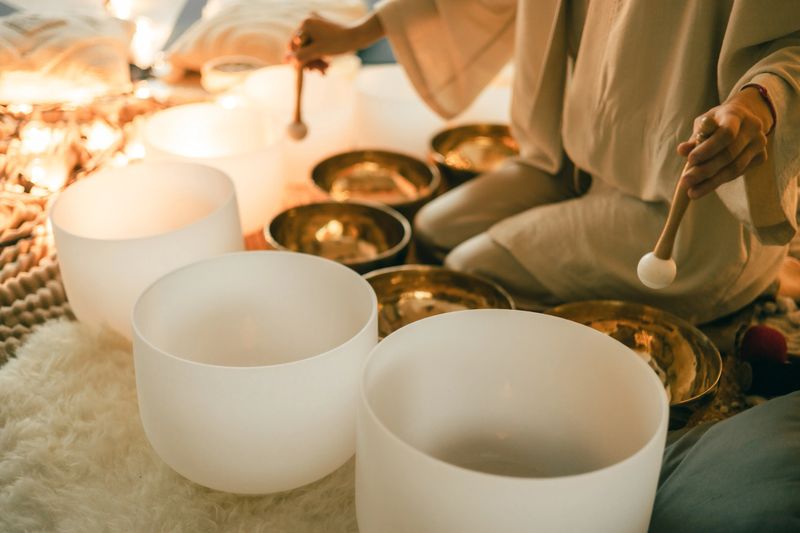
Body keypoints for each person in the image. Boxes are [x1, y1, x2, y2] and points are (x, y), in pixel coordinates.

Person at [288, 0, 800, 325]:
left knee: (469, 273)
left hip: (684, 207)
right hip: (564, 154)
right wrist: (360, 31)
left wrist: (760, 99)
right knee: (433, 227)